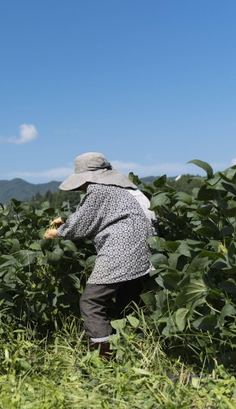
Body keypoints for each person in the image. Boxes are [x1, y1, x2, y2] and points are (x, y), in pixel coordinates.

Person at [43, 152, 155, 360]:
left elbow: (81, 225)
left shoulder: (98, 189)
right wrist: (67, 220)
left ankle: (105, 359)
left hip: (121, 249)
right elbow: (105, 215)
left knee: (91, 302)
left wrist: (58, 232)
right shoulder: (122, 188)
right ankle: (136, 351)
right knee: (128, 300)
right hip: (142, 248)